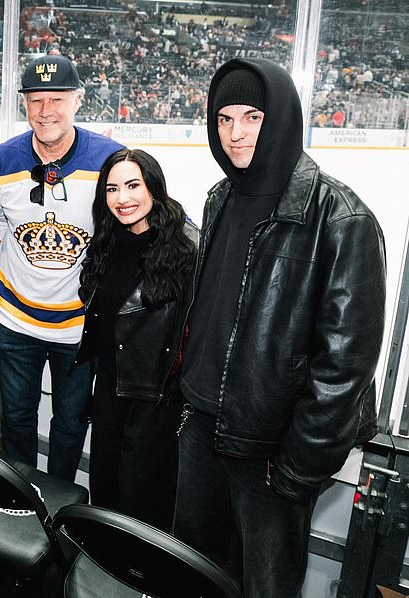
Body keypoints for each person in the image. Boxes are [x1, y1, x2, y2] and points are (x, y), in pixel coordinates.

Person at [172, 57, 386, 597]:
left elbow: (344, 367)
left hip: (269, 450)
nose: (236, 133)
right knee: (192, 576)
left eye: (252, 117)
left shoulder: (341, 219)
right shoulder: (220, 198)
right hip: (201, 428)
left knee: (264, 588)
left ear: (283, 117)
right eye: (224, 119)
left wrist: (297, 469)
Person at [0, 54, 123, 481]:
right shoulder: (1, 161)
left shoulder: (111, 161)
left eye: (57, 99)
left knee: (69, 427)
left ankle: (58, 508)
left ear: (78, 100)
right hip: (13, 322)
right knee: (17, 420)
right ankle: (21, 504)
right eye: (36, 100)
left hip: (79, 330)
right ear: (24, 104)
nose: (46, 111)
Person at [76, 149, 198, 531]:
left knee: (142, 503)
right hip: (110, 388)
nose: (122, 198)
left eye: (133, 185)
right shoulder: (108, 242)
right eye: (112, 189)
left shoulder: (184, 249)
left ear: (154, 188)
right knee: (106, 488)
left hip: (154, 399)